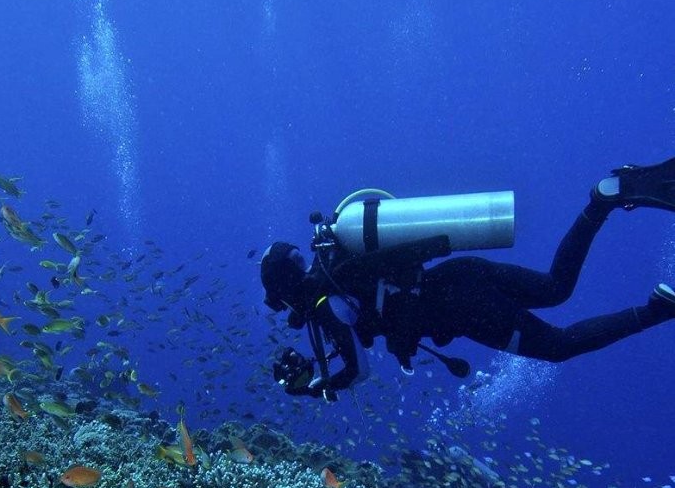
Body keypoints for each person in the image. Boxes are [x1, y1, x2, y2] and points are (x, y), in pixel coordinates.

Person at [261, 158, 675, 401]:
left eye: (279, 300)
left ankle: (657, 310)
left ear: (285, 290)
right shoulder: (337, 264)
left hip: (465, 309)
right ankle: (601, 202)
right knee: (555, 287)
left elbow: (358, 370)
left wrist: (317, 388)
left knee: (557, 346)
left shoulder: (325, 302)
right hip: (462, 273)